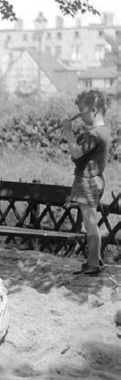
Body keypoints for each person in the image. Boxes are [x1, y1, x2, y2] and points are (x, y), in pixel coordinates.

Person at [62, 90, 112, 276]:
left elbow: (76, 154)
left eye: (81, 111)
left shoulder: (94, 133)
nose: (80, 116)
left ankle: (93, 264)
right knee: (89, 222)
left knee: (90, 224)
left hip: (88, 182)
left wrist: (68, 132)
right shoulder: (104, 130)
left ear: (93, 109)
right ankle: (94, 259)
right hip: (95, 180)